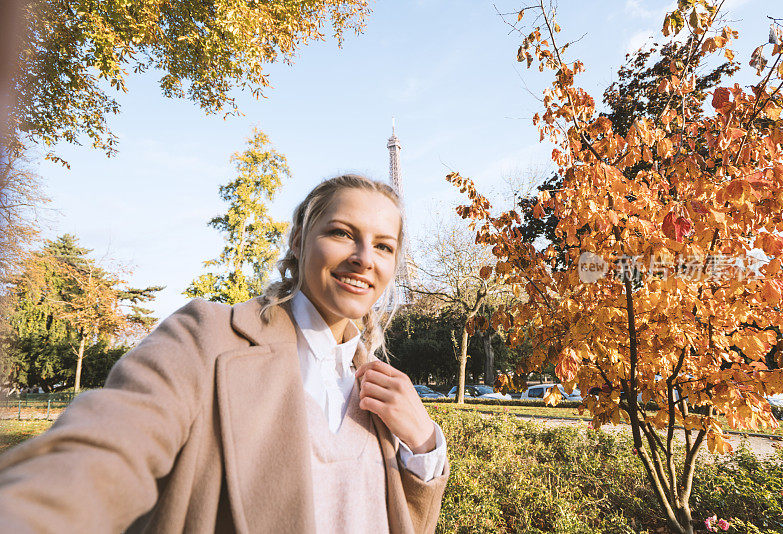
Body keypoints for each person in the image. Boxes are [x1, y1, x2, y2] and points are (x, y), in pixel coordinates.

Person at [0, 174, 449, 533]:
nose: (364, 258)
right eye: (341, 233)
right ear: (298, 240)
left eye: (384, 246)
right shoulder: (207, 337)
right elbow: (104, 452)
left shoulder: (384, 387)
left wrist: (424, 444)